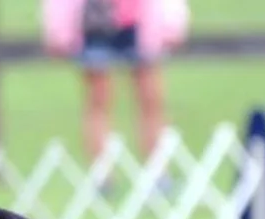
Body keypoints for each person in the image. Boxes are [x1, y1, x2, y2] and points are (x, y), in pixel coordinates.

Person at [42, 0, 189, 194]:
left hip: (141, 21)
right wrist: (58, 29)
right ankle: (103, 176)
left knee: (151, 99)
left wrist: (172, 22)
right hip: (95, 20)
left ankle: (159, 173)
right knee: (98, 99)